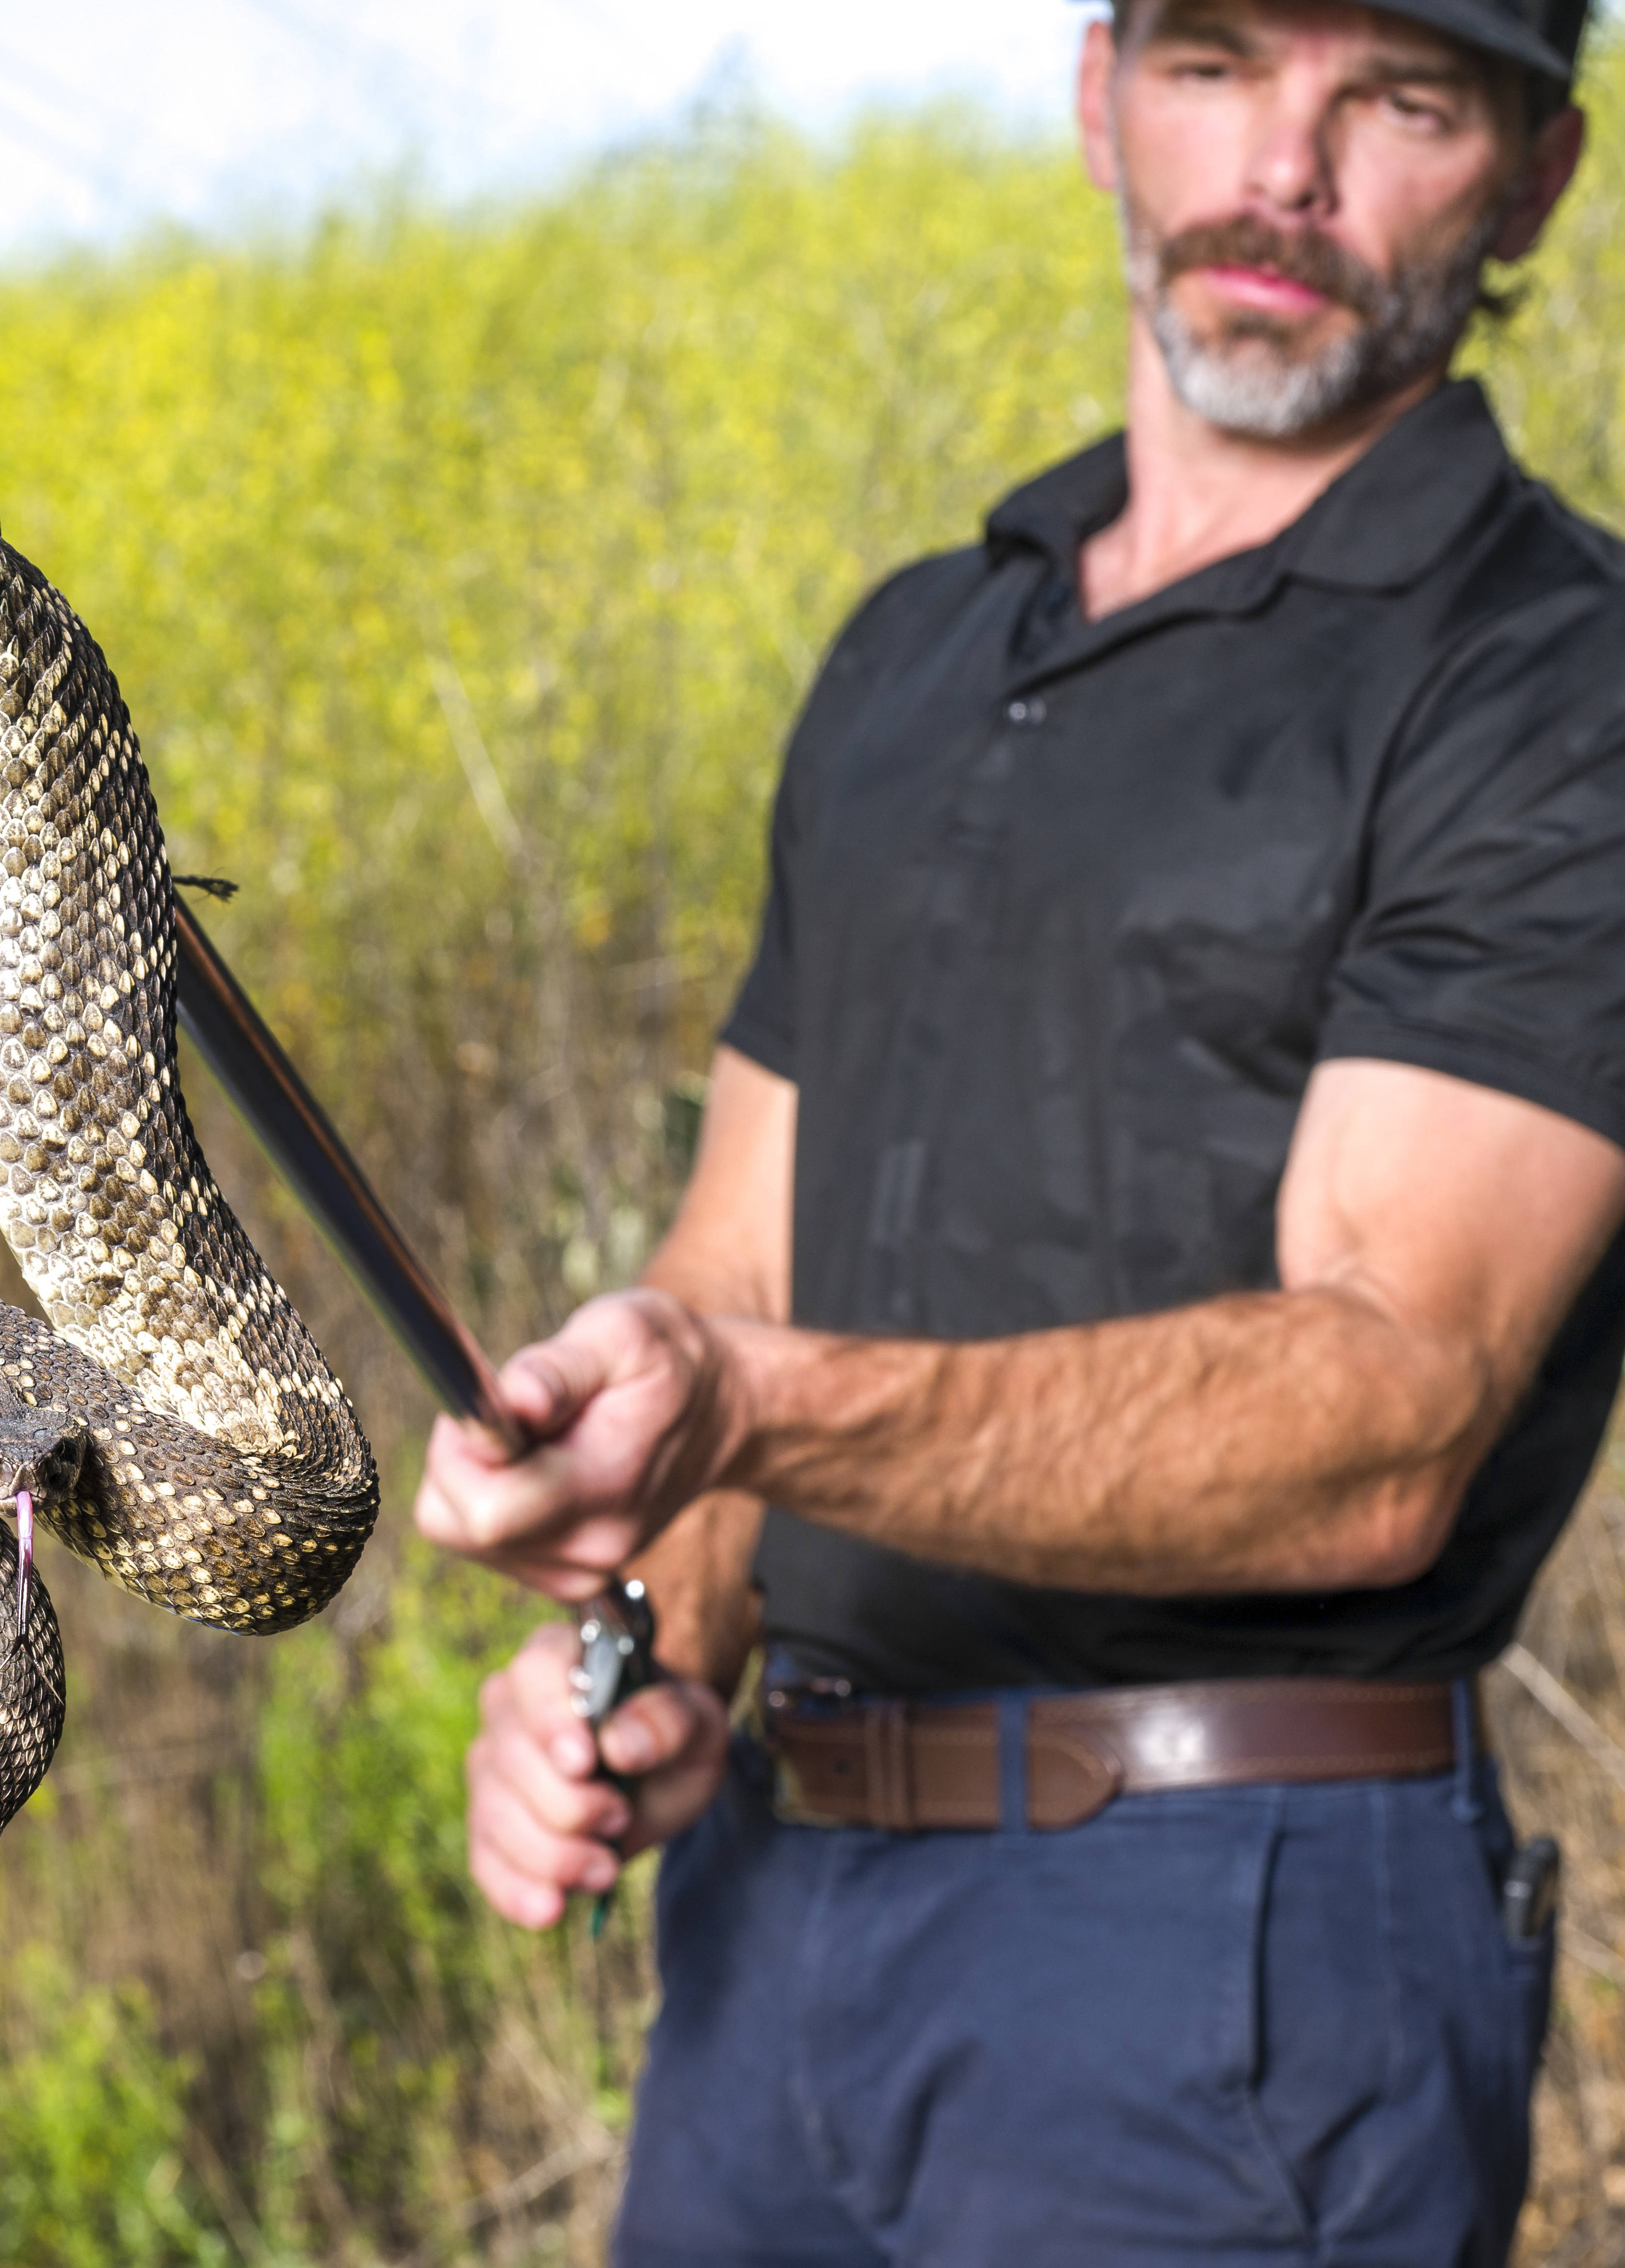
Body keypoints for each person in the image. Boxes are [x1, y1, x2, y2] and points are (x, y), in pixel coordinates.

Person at [413, 1, 1623, 2259]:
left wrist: (737, 1410)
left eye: (1403, 98)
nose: (1288, 166)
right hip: (775, 1928)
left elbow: (1389, 1416)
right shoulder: (915, 649)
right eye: (1216, 63)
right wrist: (650, 1656)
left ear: (1538, 171)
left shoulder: (1557, 679)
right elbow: (736, 1276)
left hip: (1227, 1957)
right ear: (1097, 94)